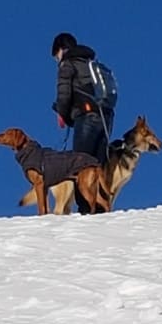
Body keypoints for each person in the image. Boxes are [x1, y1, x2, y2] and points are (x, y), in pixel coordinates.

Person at [51, 33, 116, 213]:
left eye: (56, 55)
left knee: (80, 166)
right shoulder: (91, 64)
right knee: (98, 166)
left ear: (61, 50)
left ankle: (86, 210)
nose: (57, 59)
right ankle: (101, 209)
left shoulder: (67, 64)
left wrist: (62, 113)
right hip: (105, 118)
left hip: (86, 117)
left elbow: (64, 94)